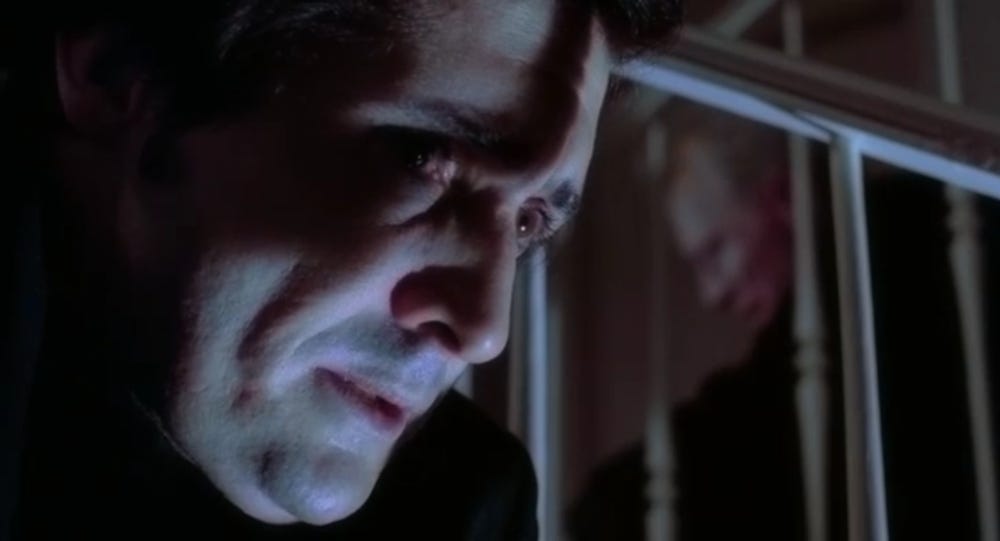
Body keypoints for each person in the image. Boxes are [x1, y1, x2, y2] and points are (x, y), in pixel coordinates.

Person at [0, 1, 682, 538]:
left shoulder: (464, 508)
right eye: (420, 156)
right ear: (120, 71)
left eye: (530, 223)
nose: (483, 331)